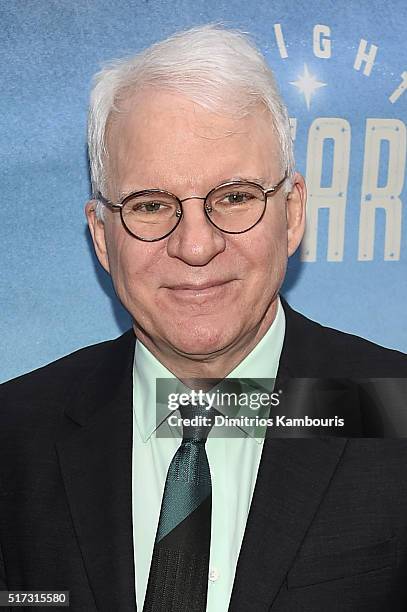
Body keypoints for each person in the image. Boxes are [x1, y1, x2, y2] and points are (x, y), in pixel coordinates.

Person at [1, 24, 407, 612]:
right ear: (101, 236)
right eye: (150, 205)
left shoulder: (396, 411)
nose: (195, 246)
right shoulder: (13, 437)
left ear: (292, 214)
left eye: (234, 197)